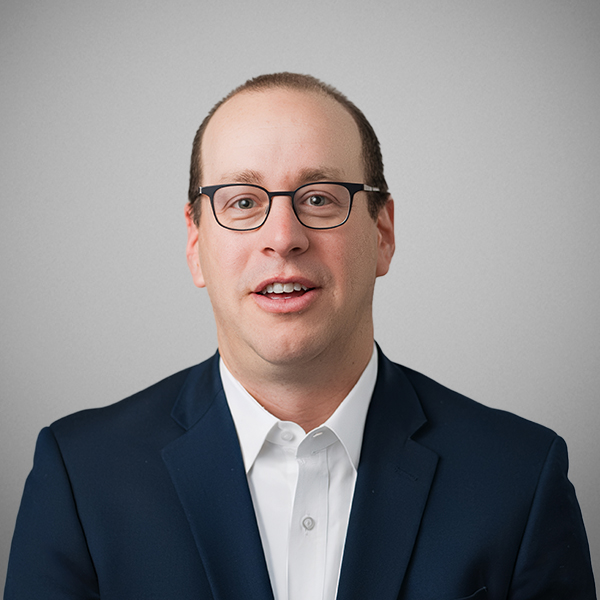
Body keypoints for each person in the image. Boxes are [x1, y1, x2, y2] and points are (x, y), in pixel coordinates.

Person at [4, 72, 595, 600]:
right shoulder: (80, 476)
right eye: (242, 201)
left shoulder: (519, 477)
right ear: (195, 242)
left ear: (383, 233)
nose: (283, 237)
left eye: (318, 198)